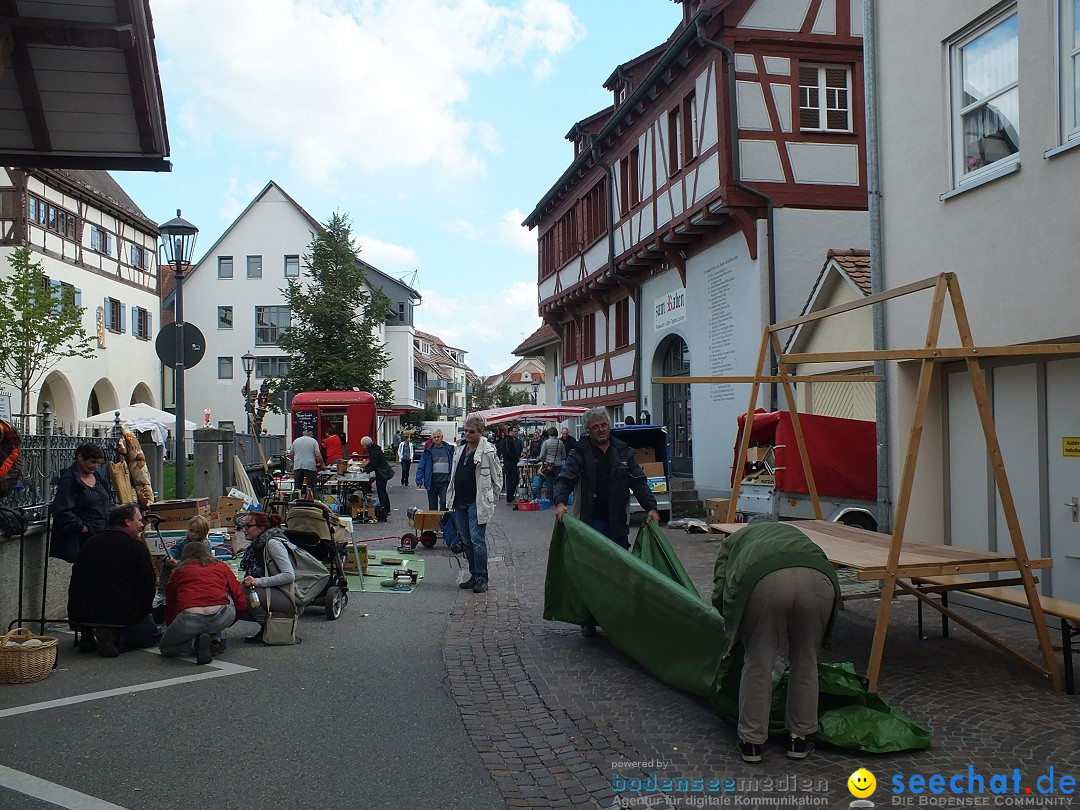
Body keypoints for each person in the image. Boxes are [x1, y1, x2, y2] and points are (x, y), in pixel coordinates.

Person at [710, 522, 840, 764]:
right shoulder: (791, 533)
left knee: (758, 661)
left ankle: (751, 743)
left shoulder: (733, 541)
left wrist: (731, 623)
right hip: (819, 579)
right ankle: (799, 739)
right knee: (806, 660)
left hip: (764, 582)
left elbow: (720, 588)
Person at [553, 406, 660, 549]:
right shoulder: (579, 452)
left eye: (604, 425)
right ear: (588, 430)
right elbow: (565, 479)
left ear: (609, 426)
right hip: (591, 521)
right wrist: (560, 503)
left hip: (618, 521)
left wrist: (651, 507)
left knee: (619, 567)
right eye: (595, 427)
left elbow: (638, 482)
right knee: (594, 566)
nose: (601, 429)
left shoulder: (623, 451)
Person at [67, 503, 160, 657]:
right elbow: (147, 586)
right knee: (152, 635)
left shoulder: (89, 544)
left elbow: (75, 582)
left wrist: (76, 616)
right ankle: (116, 638)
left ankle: (90, 633)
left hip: (84, 613)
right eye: (138, 520)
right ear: (127, 522)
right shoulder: (136, 547)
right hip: (121, 613)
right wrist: (144, 612)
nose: (142, 524)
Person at [160, 538, 248, 664]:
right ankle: (213, 641)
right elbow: (238, 594)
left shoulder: (178, 572)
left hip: (189, 618)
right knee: (224, 593)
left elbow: (171, 604)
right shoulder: (220, 566)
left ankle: (195, 643)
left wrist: (173, 627)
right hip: (221, 615)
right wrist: (233, 618)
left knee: (165, 648)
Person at [445, 415, 502, 594]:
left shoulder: (487, 451)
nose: (467, 434)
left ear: (480, 432)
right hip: (459, 502)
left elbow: (497, 476)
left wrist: (491, 497)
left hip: (476, 503)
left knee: (478, 540)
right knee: (467, 541)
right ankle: (473, 574)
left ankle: (482, 578)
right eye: (465, 431)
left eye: (471, 432)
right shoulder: (460, 450)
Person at [49, 442, 115, 563]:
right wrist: (81, 527)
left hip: (103, 534)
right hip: (84, 539)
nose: (95, 466)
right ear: (80, 458)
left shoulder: (98, 476)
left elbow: (108, 500)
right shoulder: (69, 480)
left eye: (98, 463)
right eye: (92, 462)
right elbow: (61, 510)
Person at [237, 511, 296, 644]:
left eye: (248, 526)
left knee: (246, 590)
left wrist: (257, 581)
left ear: (261, 528)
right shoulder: (257, 544)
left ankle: (267, 627)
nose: (243, 530)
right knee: (238, 595)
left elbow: (289, 575)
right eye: (243, 526)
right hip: (276, 592)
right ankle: (267, 625)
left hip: (289, 596)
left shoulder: (272, 544)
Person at [154, 514, 212, 609]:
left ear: (203, 532)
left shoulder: (205, 545)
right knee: (166, 563)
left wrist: (179, 563)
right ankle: (161, 592)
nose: (193, 534)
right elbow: (173, 550)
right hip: (181, 567)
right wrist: (169, 558)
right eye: (191, 530)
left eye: (197, 532)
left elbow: (197, 561)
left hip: (196, 570)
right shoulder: (183, 541)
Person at [415, 430, 455, 510]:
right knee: (432, 505)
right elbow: (421, 466)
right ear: (432, 439)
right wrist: (419, 479)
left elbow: (455, 463)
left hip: (445, 482)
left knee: (444, 503)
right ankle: (433, 522)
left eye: (438, 437)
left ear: (442, 437)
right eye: (434, 437)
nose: (436, 439)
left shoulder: (449, 450)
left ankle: (443, 521)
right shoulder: (428, 452)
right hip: (432, 482)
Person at [361, 436, 392, 514]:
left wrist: (366, 470)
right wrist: (366, 468)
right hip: (383, 472)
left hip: (381, 474)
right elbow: (372, 463)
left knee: (381, 491)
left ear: (367, 445)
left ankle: (384, 508)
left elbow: (374, 465)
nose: (363, 447)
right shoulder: (376, 449)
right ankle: (387, 507)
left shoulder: (373, 452)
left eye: (364, 445)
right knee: (383, 490)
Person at [288, 427, 322, 495]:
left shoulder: (296, 441)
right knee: (312, 486)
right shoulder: (313, 441)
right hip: (310, 466)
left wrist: (294, 462)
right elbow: (318, 455)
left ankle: (297, 501)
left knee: (297, 487)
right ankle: (312, 501)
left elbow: (290, 454)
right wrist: (323, 464)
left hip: (298, 466)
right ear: (310, 433)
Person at [538, 426, 567, 501]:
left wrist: (544, 462)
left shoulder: (546, 443)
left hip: (548, 465)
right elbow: (564, 456)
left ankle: (550, 499)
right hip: (558, 465)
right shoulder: (560, 443)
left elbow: (542, 455)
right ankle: (558, 499)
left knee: (549, 483)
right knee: (558, 483)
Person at [501, 426, 523, 504]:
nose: (516, 433)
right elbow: (509, 452)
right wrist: (516, 458)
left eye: (517, 431)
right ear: (510, 431)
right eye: (515, 431)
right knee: (511, 481)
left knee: (515, 479)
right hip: (510, 463)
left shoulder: (511, 440)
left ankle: (511, 497)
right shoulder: (508, 440)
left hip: (512, 462)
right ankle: (510, 499)